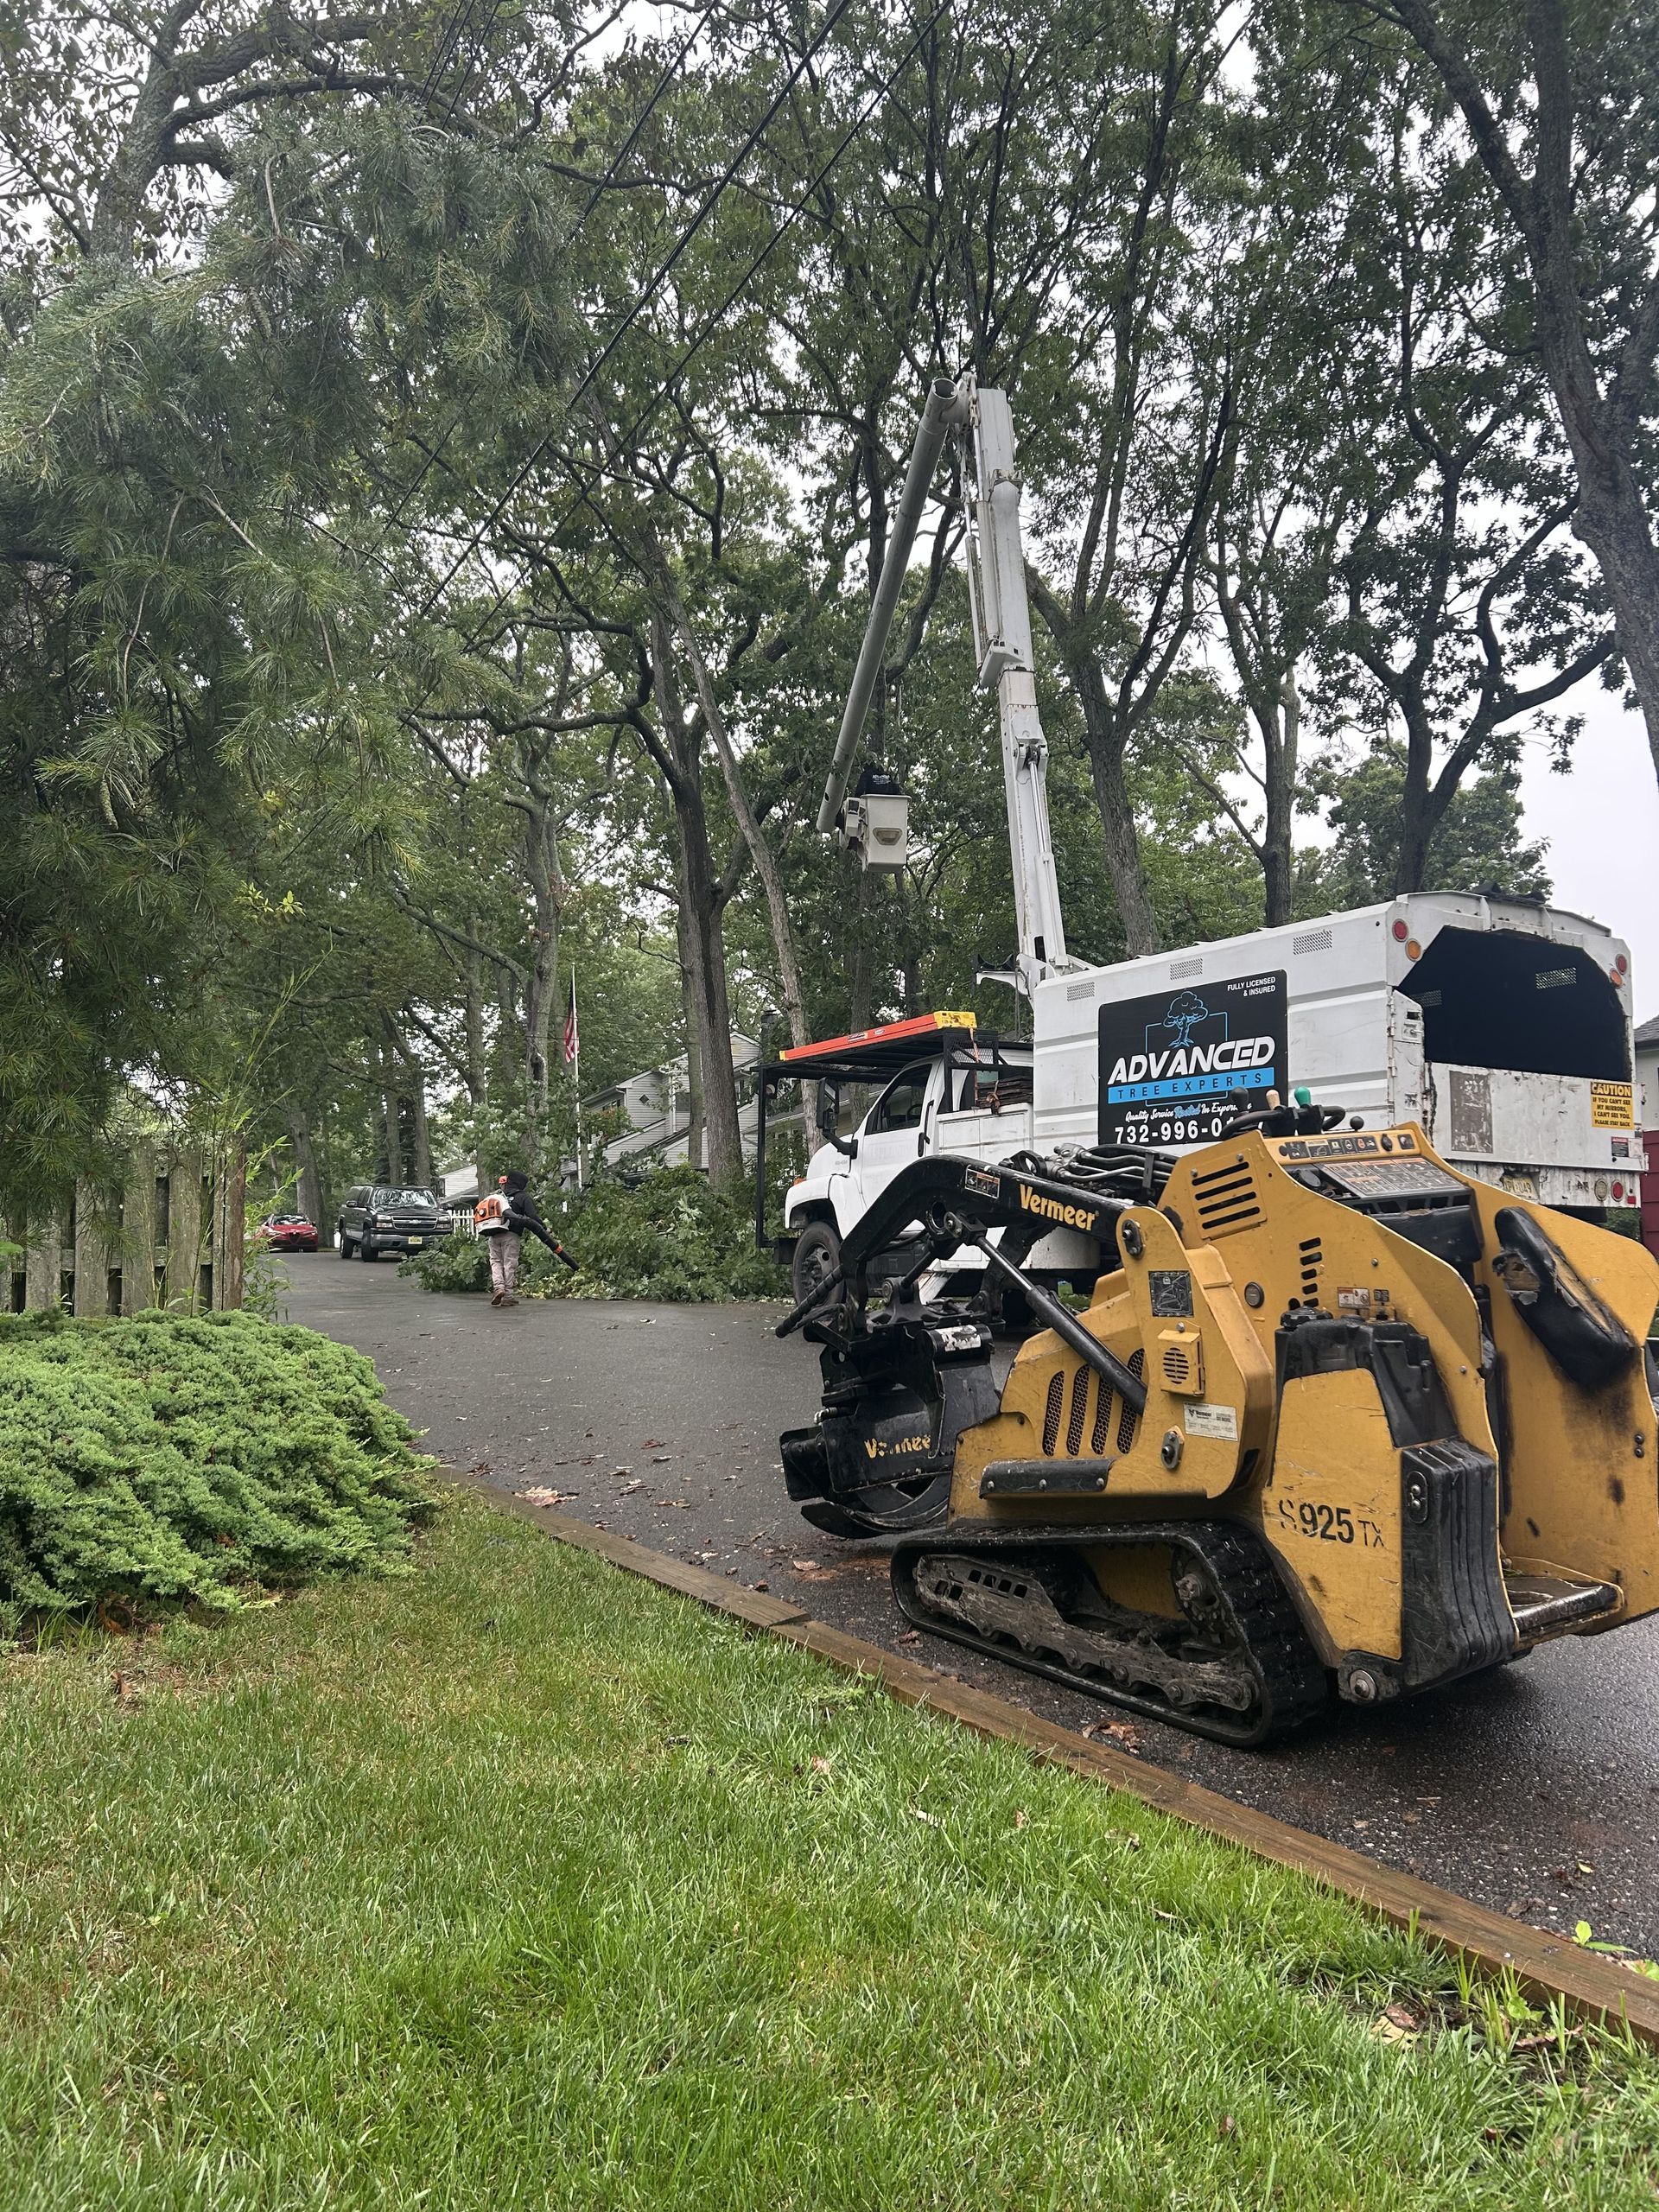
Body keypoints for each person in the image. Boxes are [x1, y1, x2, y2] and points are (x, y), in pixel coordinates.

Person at [474, 1169, 576, 1307]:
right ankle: (508, 1296)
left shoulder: (499, 1196)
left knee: (496, 1262)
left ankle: (498, 1287)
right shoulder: (522, 1197)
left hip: (493, 1234)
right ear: (521, 1184)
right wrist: (544, 1229)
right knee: (509, 1264)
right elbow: (532, 1217)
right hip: (511, 1235)